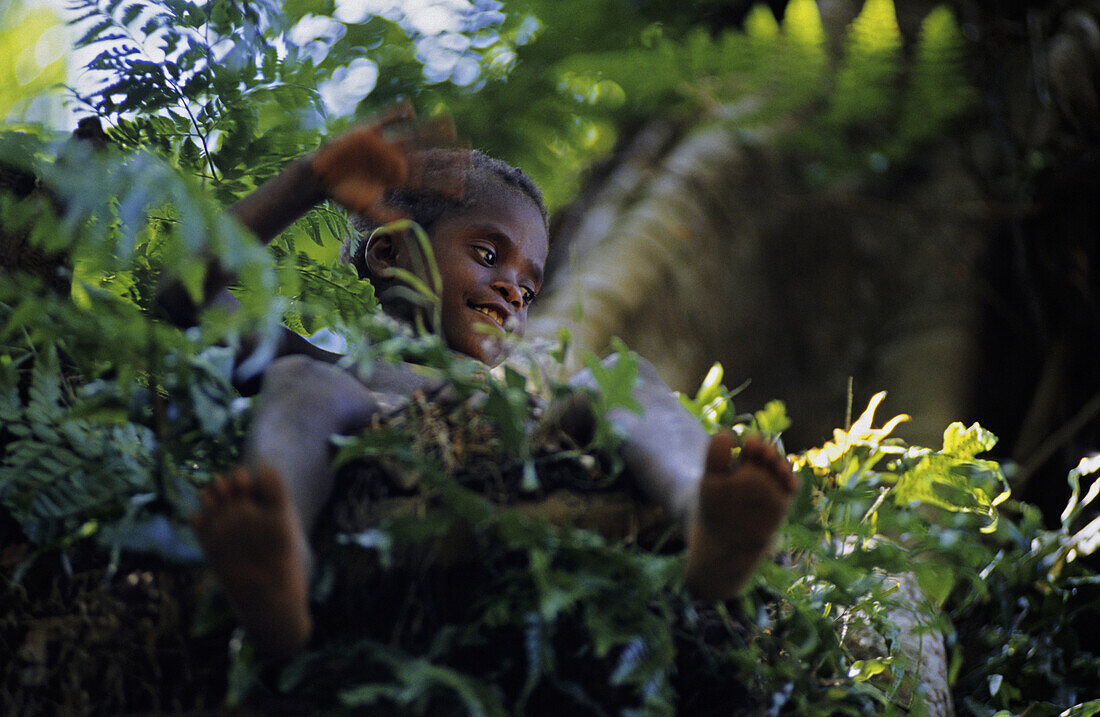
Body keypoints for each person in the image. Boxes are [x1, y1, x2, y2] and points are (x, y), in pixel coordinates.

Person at [173, 111, 799, 657]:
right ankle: (278, 562)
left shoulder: (534, 410)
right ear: (389, 256)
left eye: (528, 289)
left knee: (622, 376)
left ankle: (704, 516)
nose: (511, 291)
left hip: (518, 450)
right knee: (295, 378)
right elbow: (185, 298)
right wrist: (307, 183)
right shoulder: (331, 376)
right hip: (367, 464)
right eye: (487, 255)